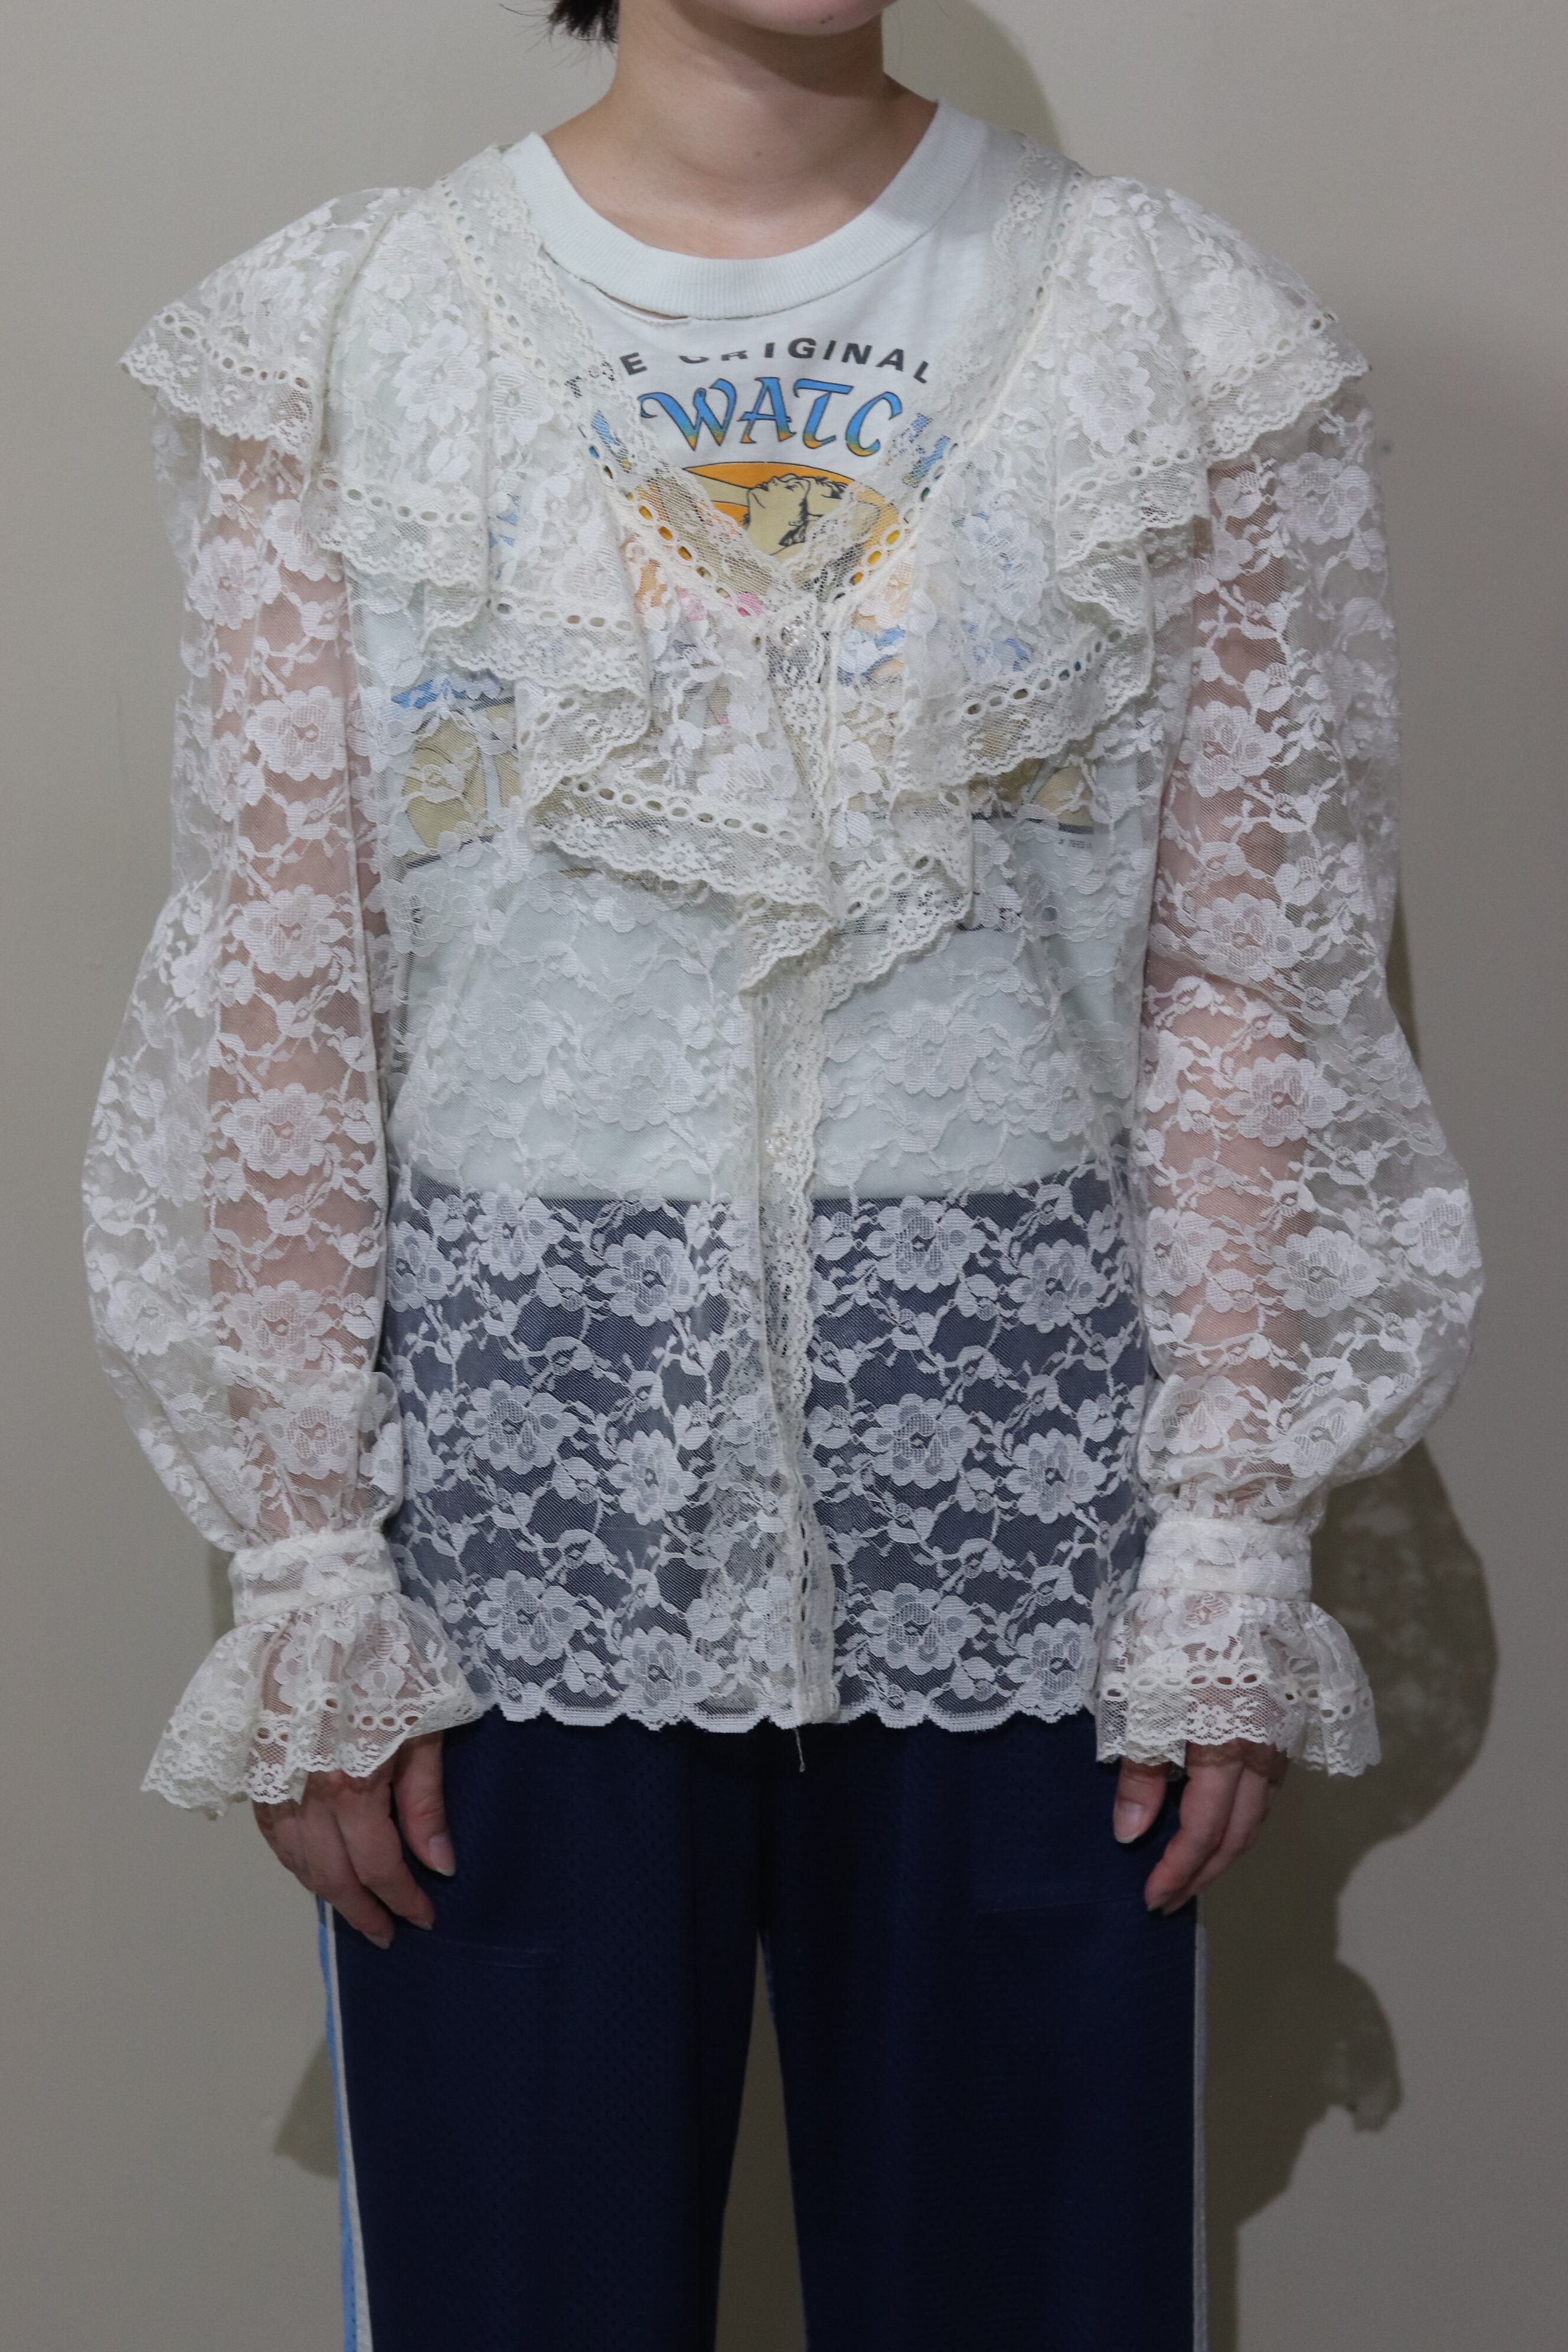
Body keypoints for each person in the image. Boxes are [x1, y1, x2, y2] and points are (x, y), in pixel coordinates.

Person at [83, 0, 1482, 2343]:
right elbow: (278, 982)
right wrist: (309, 1556)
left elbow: (1255, 979)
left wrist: (1235, 1528)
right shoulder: (347, 332)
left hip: (1035, 1526)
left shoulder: (1176, 328)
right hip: (508, 1524)